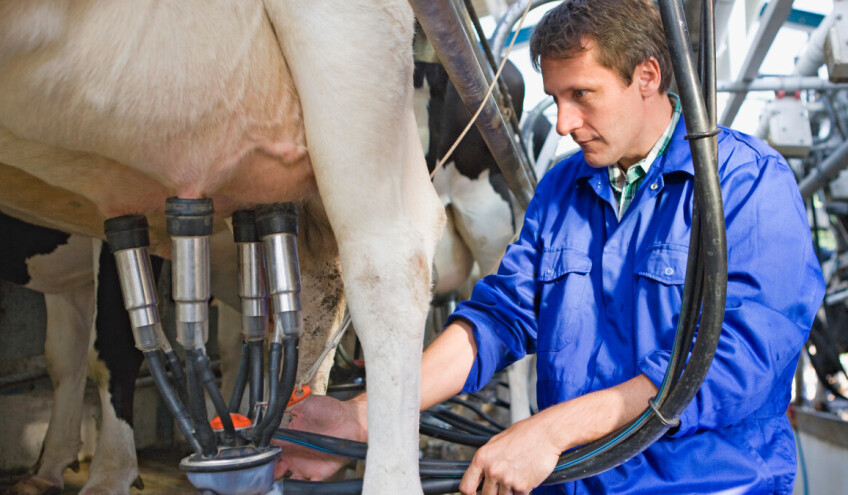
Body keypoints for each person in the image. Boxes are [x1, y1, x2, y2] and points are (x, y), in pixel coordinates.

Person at [275, 0, 825, 493]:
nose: (564, 123)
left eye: (582, 95)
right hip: (572, 482)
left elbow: (736, 360)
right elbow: (500, 318)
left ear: (647, 77)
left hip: (705, 484)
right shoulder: (564, 188)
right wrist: (366, 416)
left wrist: (549, 429)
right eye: (556, 99)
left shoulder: (745, 183)